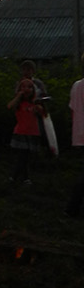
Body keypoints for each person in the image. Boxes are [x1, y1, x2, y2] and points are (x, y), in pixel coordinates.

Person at [7, 59, 46, 186]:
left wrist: (38, 104)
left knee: (27, 154)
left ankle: (20, 176)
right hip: (23, 127)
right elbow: (12, 104)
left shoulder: (38, 84)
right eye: (24, 69)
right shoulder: (20, 86)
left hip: (33, 126)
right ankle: (20, 177)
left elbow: (43, 99)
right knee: (23, 154)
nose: (26, 72)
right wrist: (20, 95)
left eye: (28, 69)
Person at [66, 58, 84, 216]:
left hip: (79, 134)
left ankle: (73, 208)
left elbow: (73, 110)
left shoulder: (77, 85)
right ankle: (72, 208)